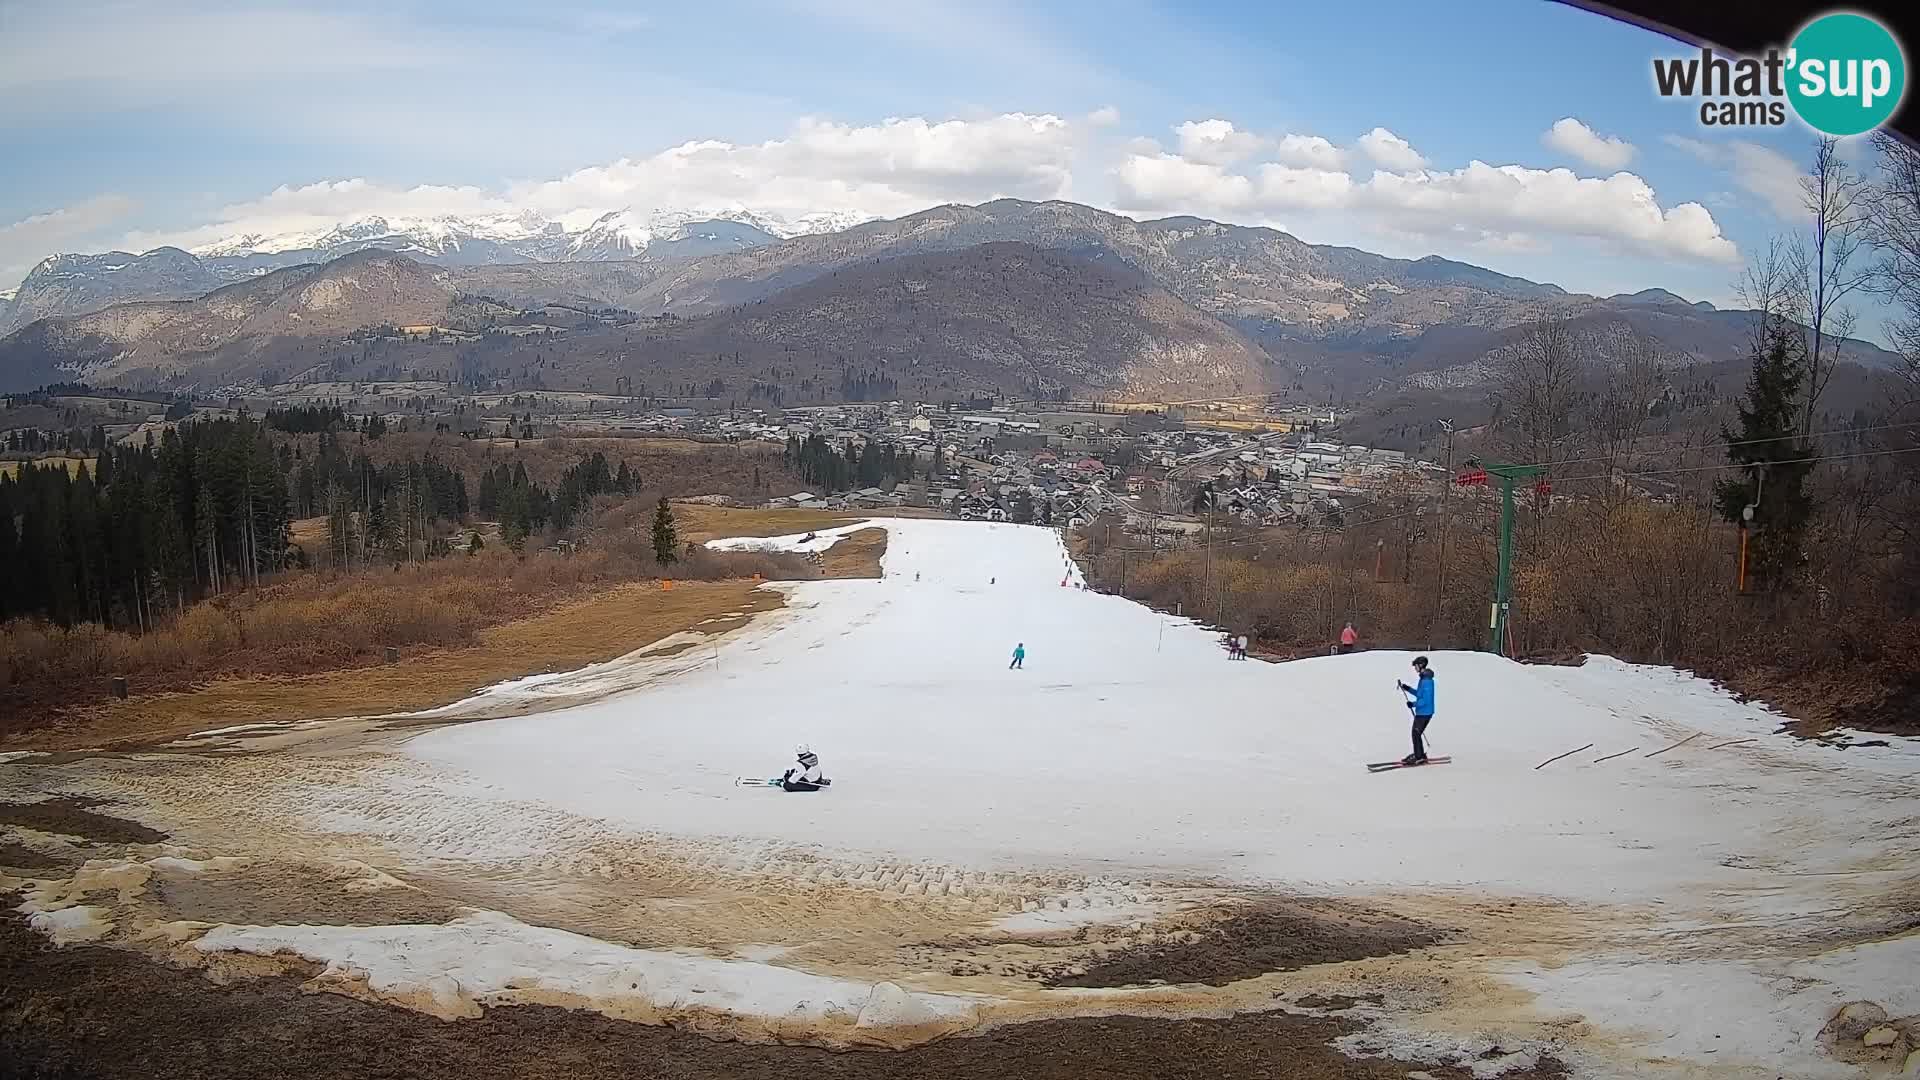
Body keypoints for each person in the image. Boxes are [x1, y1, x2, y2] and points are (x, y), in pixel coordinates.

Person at [1396, 656, 1436, 765]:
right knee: (1416, 733)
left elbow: (1425, 700)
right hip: (1422, 712)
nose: (1415, 668)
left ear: (1421, 665)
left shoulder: (1427, 681)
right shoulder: (1423, 679)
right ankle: (1420, 754)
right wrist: (1407, 688)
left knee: (1416, 733)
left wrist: (1413, 704)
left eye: (1416, 666)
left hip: (1425, 712)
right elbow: (1419, 694)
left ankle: (1419, 757)